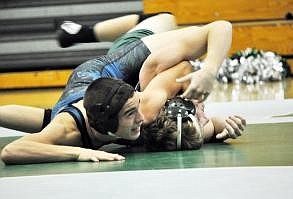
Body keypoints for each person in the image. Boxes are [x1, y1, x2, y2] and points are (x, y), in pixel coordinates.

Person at [0, 13, 235, 164]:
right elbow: (12, 151)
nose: (141, 118)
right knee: (55, 123)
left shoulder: (147, 109)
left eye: (137, 109)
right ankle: (84, 33)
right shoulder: (69, 131)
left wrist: (209, 70)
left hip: (115, 70)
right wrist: (78, 153)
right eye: (132, 114)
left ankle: (84, 33)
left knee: (164, 19)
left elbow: (220, 27)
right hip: (85, 94)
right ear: (109, 128)